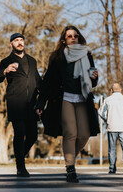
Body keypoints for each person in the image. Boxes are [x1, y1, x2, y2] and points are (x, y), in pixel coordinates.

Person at [35, 25, 99, 183]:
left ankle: (69, 158)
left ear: (79, 37)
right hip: (64, 98)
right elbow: (48, 80)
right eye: (69, 36)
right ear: (64, 39)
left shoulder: (86, 54)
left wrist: (94, 77)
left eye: (75, 36)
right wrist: (41, 103)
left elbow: (93, 80)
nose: (73, 38)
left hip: (82, 98)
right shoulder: (57, 56)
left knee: (84, 134)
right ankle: (70, 169)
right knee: (70, 132)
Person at [0, 33, 41, 177]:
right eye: (16, 41)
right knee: (19, 135)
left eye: (21, 40)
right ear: (11, 44)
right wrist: (5, 70)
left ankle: (18, 156)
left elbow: (37, 80)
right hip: (16, 103)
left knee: (33, 136)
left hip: (32, 103)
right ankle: (21, 167)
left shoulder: (32, 61)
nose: (20, 43)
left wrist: (43, 98)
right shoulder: (6, 61)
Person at [100, 83, 123, 175]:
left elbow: (101, 113)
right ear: (121, 90)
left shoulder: (108, 100)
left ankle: (112, 168)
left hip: (111, 127)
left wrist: (107, 120)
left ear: (111, 90)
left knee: (112, 149)